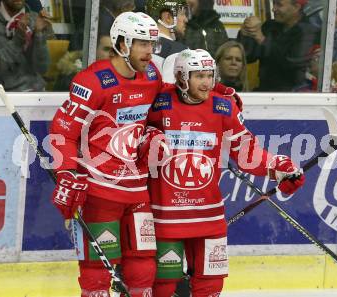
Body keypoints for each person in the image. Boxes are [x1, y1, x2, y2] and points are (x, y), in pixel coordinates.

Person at [145, 49, 305, 297]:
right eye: (199, 75)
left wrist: (279, 167)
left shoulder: (222, 107)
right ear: (181, 76)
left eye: (210, 75)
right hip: (166, 214)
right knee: (163, 286)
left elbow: (247, 153)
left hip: (207, 214)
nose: (207, 82)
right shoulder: (159, 102)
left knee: (211, 285)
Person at [49, 11, 162, 297]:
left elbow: (171, 102)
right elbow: (63, 131)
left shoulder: (152, 75)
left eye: (152, 44)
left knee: (144, 266)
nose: (150, 52)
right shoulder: (93, 81)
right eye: (142, 44)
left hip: (137, 190)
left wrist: (217, 93)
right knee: (97, 270)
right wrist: (66, 171)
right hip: (100, 190)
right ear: (122, 44)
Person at [236, 0, 320, 92]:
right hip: (264, 91)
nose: (273, 9)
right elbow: (248, 57)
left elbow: (291, 61)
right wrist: (246, 34)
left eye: (279, 5)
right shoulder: (270, 26)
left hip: (293, 95)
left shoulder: (309, 31)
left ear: (296, 7)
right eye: (273, 4)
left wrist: (262, 39)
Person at [0, 0, 54, 91]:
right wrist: (19, 38)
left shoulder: (35, 19)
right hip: (4, 94)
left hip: (37, 93)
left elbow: (42, 68)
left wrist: (39, 35)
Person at [146, 0, 189, 83]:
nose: (186, 19)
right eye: (182, 14)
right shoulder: (179, 51)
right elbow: (170, 91)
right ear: (168, 17)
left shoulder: (135, 44)